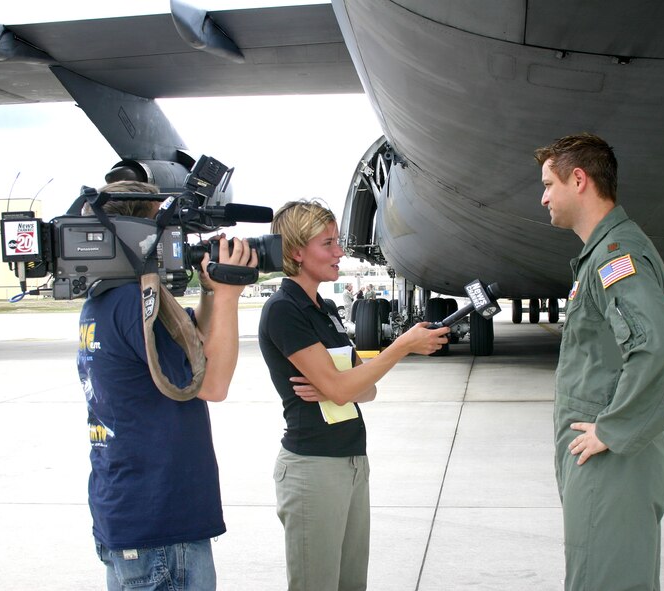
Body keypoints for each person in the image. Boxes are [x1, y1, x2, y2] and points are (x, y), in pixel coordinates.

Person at [257, 199, 449, 591]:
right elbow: (345, 389)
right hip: (313, 468)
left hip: (350, 461)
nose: (339, 252)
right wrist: (400, 347)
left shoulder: (323, 309)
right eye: (327, 243)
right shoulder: (284, 309)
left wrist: (340, 385)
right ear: (296, 251)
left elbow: (367, 389)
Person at [78, 180, 257, 591]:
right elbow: (211, 384)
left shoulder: (108, 298)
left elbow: (189, 345)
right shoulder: (132, 302)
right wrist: (229, 297)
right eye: (165, 226)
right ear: (138, 235)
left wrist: (212, 292)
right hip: (160, 527)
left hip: (132, 511)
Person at [534, 133, 664, 591]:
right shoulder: (601, 255)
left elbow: (660, 344)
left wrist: (613, 428)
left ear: (578, 180)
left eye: (548, 184)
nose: (543, 197)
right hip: (606, 461)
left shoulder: (615, 257)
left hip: (612, 463)